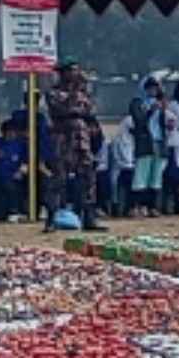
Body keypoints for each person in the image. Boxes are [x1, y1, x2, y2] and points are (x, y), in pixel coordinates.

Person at [43, 62, 105, 231]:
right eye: (72, 71)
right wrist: (74, 95)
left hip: (82, 140)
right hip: (63, 140)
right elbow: (64, 110)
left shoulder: (83, 92)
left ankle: (89, 218)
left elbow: (90, 111)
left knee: (88, 179)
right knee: (58, 180)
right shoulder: (54, 93)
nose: (76, 74)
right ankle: (51, 219)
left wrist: (80, 97)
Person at [127, 79, 165, 217]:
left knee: (155, 177)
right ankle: (135, 206)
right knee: (141, 175)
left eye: (155, 88)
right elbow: (139, 121)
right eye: (150, 88)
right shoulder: (137, 102)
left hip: (158, 142)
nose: (153, 91)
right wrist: (150, 111)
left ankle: (152, 206)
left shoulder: (161, 103)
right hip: (145, 142)